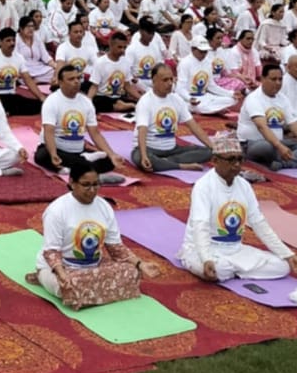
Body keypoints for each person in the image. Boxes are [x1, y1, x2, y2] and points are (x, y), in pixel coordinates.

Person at [28, 159, 159, 307]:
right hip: (61, 268)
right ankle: (43, 277)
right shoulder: (57, 210)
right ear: (72, 183)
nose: (92, 190)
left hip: (93, 267)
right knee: (72, 285)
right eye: (86, 185)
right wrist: (61, 274)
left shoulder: (104, 207)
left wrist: (140, 264)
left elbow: (115, 247)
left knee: (131, 272)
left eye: (96, 184)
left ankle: (88, 295)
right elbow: (51, 251)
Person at [180, 135, 297, 281]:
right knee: (217, 268)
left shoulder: (244, 185)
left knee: (282, 266)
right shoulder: (203, 186)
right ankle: (228, 269)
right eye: (230, 159)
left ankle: (232, 271)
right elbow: (200, 225)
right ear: (215, 161)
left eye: (239, 159)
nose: (236, 164)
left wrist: (287, 254)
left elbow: (259, 223)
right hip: (203, 248)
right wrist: (206, 258)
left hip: (235, 249)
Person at [36, 65, 127, 180]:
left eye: (78, 78)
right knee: (42, 156)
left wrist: (112, 154)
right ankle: (86, 167)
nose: (76, 82)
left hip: (78, 150)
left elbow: (95, 133)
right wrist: (53, 154)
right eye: (71, 79)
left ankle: (78, 167)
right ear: (60, 82)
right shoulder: (51, 101)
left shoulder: (86, 102)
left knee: (110, 161)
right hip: (57, 149)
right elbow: (48, 132)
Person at [237, 62, 297, 170]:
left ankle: (279, 164)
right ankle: (291, 161)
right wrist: (280, 147)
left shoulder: (283, 99)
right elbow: (262, 127)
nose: (278, 83)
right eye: (273, 79)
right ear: (262, 79)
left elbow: (295, 126)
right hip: (252, 144)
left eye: (280, 79)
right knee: (266, 147)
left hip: (277, 143)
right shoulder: (254, 98)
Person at [132, 64, 215, 173]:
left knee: (208, 152)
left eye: (171, 79)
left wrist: (213, 147)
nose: (170, 83)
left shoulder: (176, 99)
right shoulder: (145, 101)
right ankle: (181, 165)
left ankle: (166, 163)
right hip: (150, 149)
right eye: (165, 80)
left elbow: (193, 125)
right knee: (139, 158)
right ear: (154, 80)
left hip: (172, 150)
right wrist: (143, 155)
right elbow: (142, 130)